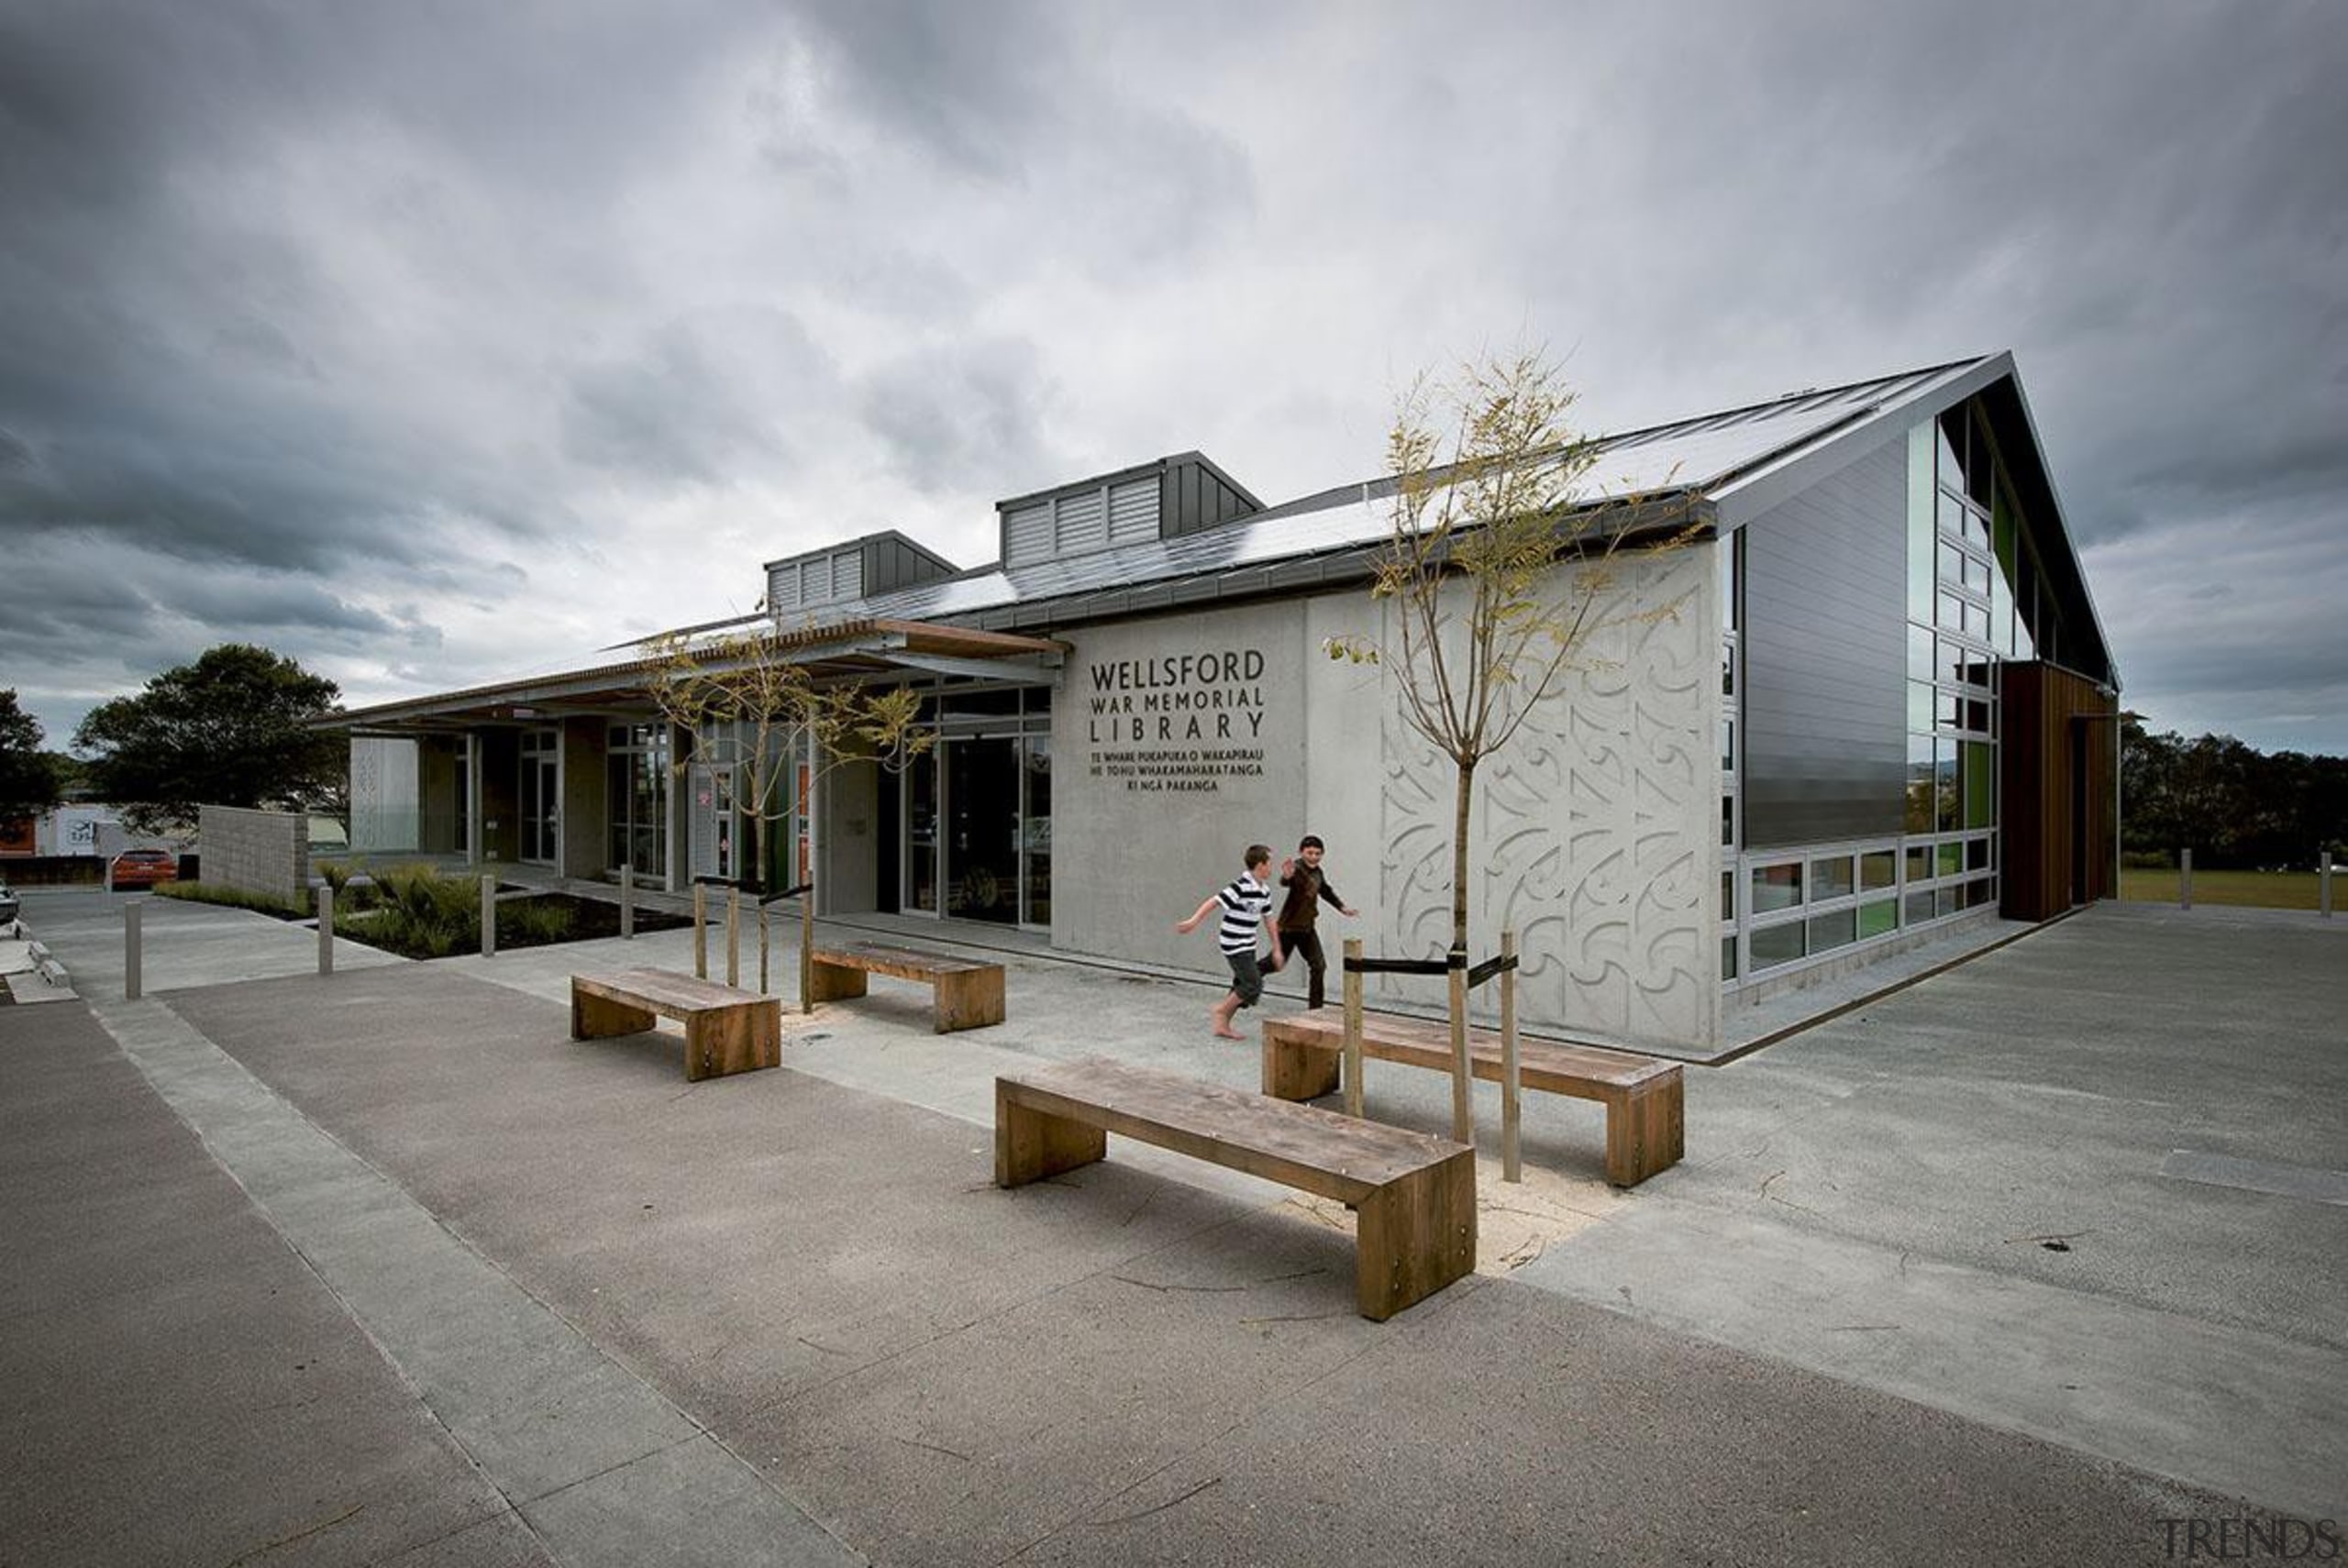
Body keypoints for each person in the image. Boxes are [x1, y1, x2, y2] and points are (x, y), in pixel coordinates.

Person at [1175, 843, 1286, 1040]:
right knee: (1253, 984)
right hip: (1233, 942)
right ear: (1260, 865)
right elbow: (1214, 901)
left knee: (1241, 983)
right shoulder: (1240, 886)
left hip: (1248, 942)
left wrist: (1276, 949)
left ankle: (1222, 1025)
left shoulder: (1264, 891)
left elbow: (1269, 920)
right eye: (1270, 863)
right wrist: (1194, 921)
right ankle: (1221, 1010)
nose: (1272, 867)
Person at [1276, 834, 1359, 1010]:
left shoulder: (1318, 872)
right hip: (1288, 929)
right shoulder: (1297, 869)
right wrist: (1286, 876)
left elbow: (1325, 890)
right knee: (1273, 964)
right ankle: (1244, 983)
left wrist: (1342, 907)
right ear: (1301, 852)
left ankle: (1315, 1010)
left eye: (1317, 853)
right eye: (1310, 853)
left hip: (1307, 929)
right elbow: (1287, 881)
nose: (1314, 857)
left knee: (1319, 966)